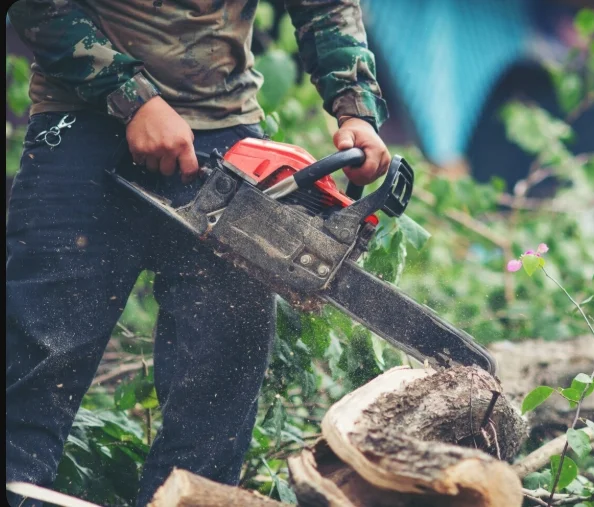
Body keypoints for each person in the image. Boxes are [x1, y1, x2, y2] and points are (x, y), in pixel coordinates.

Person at [5, 1, 390, 506]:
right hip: (81, 124)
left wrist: (354, 105)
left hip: (228, 137)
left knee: (216, 402)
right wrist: (132, 98)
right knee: (33, 379)